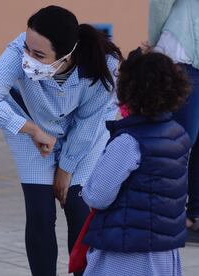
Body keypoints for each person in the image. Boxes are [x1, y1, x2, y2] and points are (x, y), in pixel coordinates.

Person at [0, 5, 122, 276]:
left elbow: (88, 124)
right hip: (28, 127)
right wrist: (30, 129)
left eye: (39, 54)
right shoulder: (19, 49)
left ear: (66, 56)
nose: (28, 57)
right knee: (40, 212)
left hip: (85, 134)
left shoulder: (104, 64)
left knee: (79, 206)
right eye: (27, 49)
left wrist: (66, 169)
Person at [82, 49, 191, 276]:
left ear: (128, 91)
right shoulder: (179, 135)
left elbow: (98, 196)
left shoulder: (128, 141)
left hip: (127, 251)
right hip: (164, 249)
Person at [148, 0, 199, 239]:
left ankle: (192, 218)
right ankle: (167, 217)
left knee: (182, 142)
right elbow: (160, 4)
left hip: (183, 53)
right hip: (182, 54)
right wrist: (155, 44)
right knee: (179, 143)